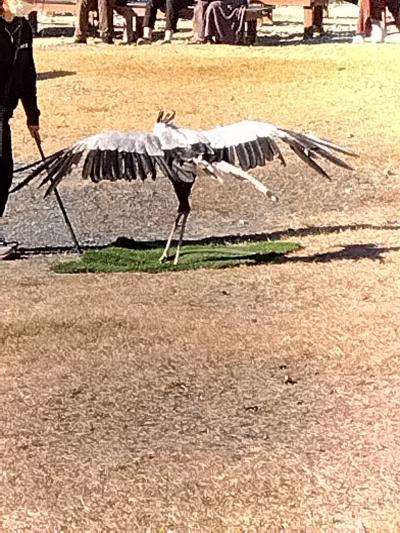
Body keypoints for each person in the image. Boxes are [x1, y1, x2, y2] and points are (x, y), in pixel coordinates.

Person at [0, 0, 40, 259]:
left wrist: (32, 116)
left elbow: (28, 75)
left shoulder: (24, 28)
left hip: (5, 113)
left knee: (5, 171)